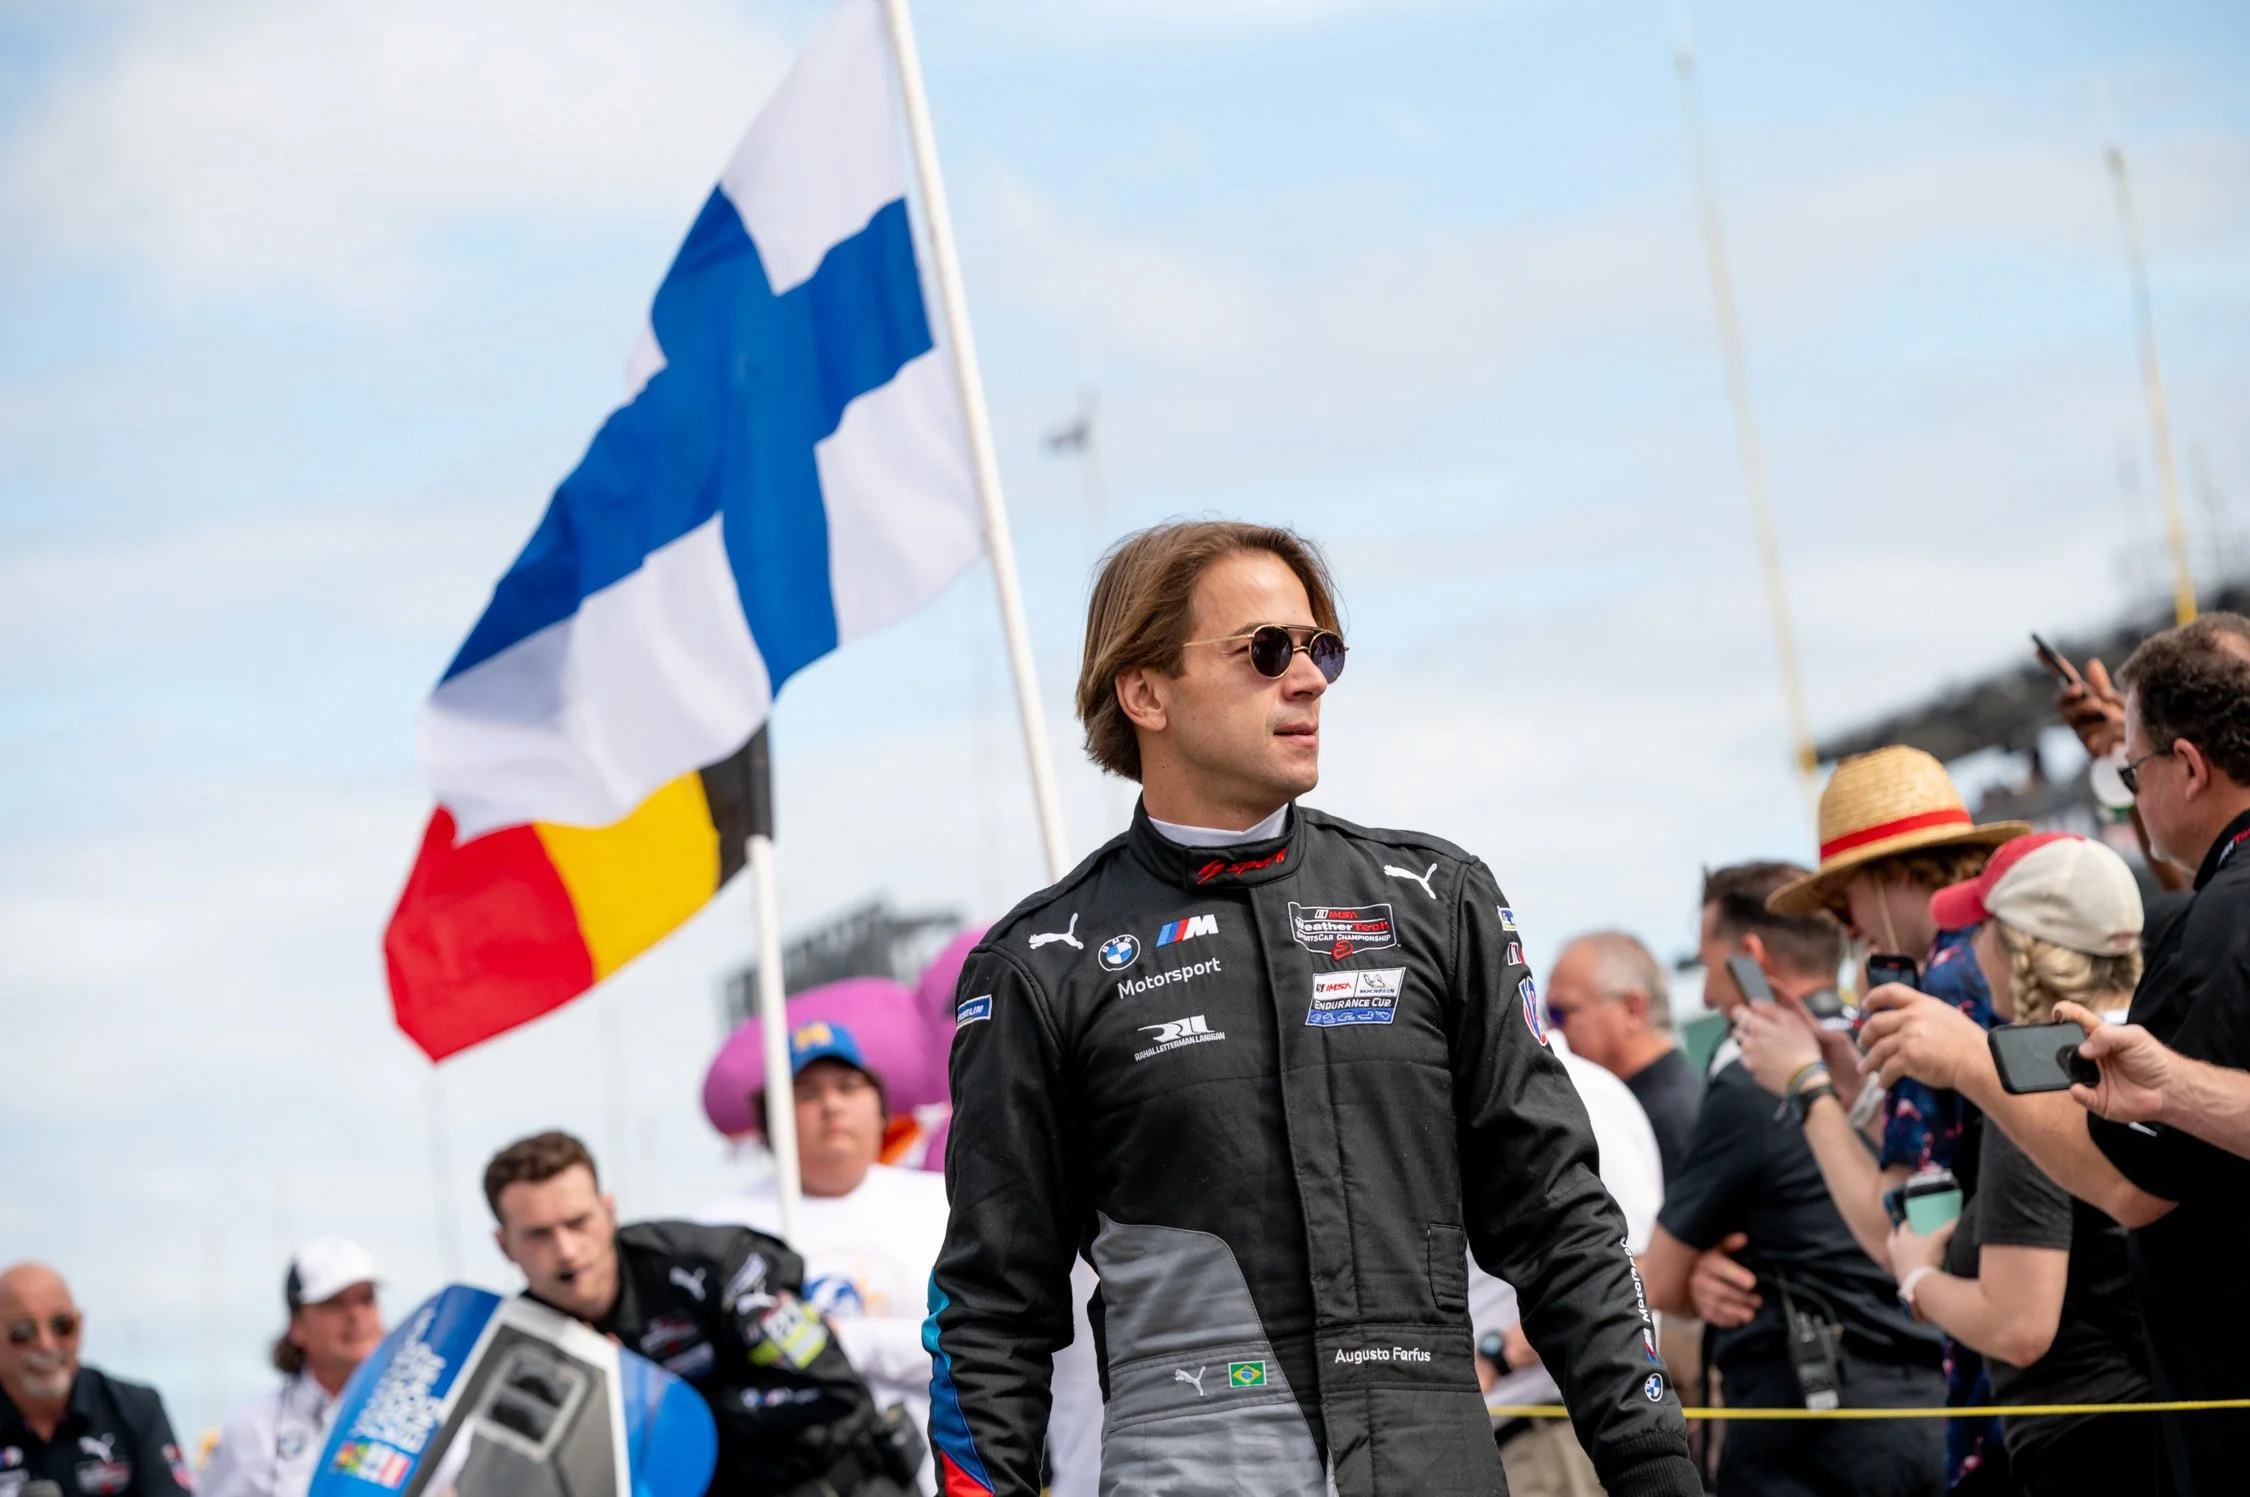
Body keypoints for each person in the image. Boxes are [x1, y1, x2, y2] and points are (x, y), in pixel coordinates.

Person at [925, 521, 1696, 1497]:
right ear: (1145, 690)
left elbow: (1561, 1224)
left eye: (1321, 648)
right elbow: (992, 1310)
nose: (1310, 679)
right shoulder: (1040, 964)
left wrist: (1658, 1470)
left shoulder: (1434, 898)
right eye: (1266, 650)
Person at [1862, 612, 2250, 1496]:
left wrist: (1969, 1061)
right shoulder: (2193, 936)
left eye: (2134, 771)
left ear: (2188, 767)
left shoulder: (2050, 1067)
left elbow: (2125, 1195)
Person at [1762, 746, 2026, 1490]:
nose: (1847, 927)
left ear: (1891, 874)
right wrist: (1860, 1098)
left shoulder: (1932, 993)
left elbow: (1900, 1235)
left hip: (2009, 1399)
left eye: (1842, 899)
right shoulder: (2001, 958)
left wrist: (1805, 1084)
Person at [1640, 864, 1944, 1497]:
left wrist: (1688, 1279)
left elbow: (1661, 1281)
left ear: (1751, 956)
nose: (1704, 999)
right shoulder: (1896, 1042)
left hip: (1816, 1443)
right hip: (1933, 1407)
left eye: (1711, 967)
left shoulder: (1750, 1083)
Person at [1871, 833, 2158, 1495]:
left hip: (2092, 1444)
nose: (1969, 949)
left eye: (1984, 927)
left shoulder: (2035, 1080)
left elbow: (2019, 1324)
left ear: (2017, 947)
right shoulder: (2160, 1049)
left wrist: (1915, 1274)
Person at [483, 1131, 919, 1497]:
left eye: (578, 1222)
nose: (566, 1251)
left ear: (609, 1212)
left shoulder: (717, 1267)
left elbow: (834, 1390)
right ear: (504, 1246)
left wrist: (666, 1407)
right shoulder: (517, 1341)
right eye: (538, 1234)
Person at [699, 1010, 950, 1494]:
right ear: (770, 1121)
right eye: (806, 1094)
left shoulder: (941, 1204)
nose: (831, 1106)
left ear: (880, 1106)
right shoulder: (722, 1229)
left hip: (938, 1475)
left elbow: (981, 1345)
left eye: (848, 1086)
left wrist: (842, 1341)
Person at [1471, 1043, 1664, 1497]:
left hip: (1553, 1438)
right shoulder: (1519, 1091)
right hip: (1528, 1438)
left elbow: (1634, 1266)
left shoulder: (1565, 1093)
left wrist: (1496, 1358)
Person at [201, 1240, 385, 1497]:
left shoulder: (425, 1411)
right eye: (334, 1303)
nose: (355, 1314)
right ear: (297, 1325)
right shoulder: (253, 1430)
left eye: (366, 1299)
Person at [0, 1264, 193, 1497]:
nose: (46, 1344)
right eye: (23, 1331)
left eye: (62, 1325)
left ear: (80, 1327)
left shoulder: (137, 1409)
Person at [1541, 931, 1702, 1184]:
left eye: (1560, 1013)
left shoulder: (1675, 1116)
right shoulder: (1663, 1103)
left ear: (1631, 1010)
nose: (1550, 1030)